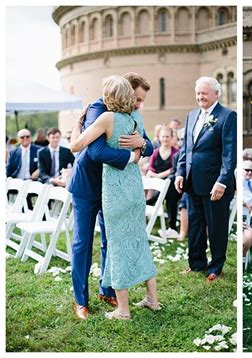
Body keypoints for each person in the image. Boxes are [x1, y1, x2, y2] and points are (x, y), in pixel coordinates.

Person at [70, 75, 159, 320]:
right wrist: (132, 157)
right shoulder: (98, 108)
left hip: (115, 189)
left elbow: (149, 144)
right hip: (88, 186)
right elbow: (97, 151)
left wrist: (141, 143)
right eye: (137, 99)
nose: (139, 104)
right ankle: (80, 300)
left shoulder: (132, 114)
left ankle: (107, 289)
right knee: (82, 243)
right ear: (127, 92)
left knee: (112, 241)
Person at [175, 76, 237, 281]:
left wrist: (222, 181)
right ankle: (196, 263)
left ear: (216, 94)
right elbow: (186, 148)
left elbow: (229, 154)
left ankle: (215, 268)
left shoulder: (227, 116)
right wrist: (180, 172)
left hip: (215, 184)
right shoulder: (191, 115)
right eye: (198, 93)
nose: (200, 97)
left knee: (217, 226)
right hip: (192, 182)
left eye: (205, 93)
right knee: (195, 224)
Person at [146, 126, 181, 238]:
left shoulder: (176, 152)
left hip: (172, 184)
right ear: (159, 138)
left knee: (170, 186)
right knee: (167, 189)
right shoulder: (155, 152)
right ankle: (172, 227)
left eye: (167, 136)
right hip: (156, 183)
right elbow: (150, 168)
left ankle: (151, 200)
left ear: (171, 138)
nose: (165, 139)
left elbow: (174, 169)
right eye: (163, 136)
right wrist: (154, 175)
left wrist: (160, 175)